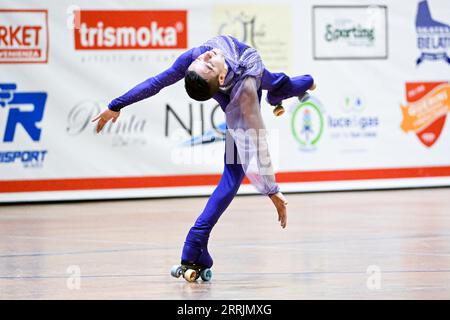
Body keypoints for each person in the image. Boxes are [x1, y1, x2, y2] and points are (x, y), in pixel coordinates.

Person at [92, 35, 315, 281]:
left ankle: (302, 84)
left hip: (248, 76)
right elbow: (156, 83)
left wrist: (271, 189)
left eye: (204, 58)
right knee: (233, 172)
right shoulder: (202, 66)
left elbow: (258, 140)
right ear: (219, 80)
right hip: (233, 92)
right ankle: (197, 240)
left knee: (278, 83)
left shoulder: (245, 86)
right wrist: (116, 104)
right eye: (204, 61)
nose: (206, 54)